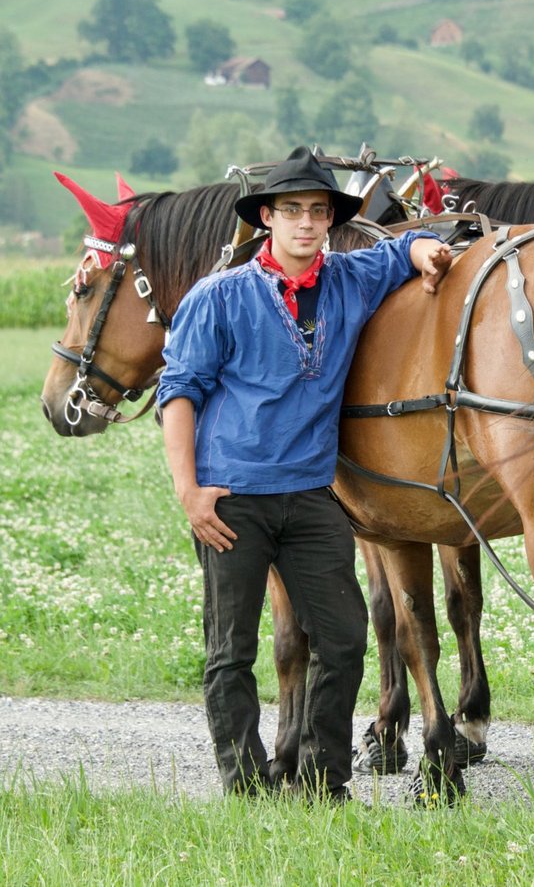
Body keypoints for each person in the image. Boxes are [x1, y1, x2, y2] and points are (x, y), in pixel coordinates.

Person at [157, 146, 454, 801]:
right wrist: (189, 492)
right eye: (292, 210)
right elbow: (177, 393)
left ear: (330, 220)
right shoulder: (220, 296)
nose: (306, 222)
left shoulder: (350, 279)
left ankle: (323, 781)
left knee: (344, 639)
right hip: (232, 498)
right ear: (267, 217)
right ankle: (245, 784)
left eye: (318, 211)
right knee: (231, 650)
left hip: (314, 497)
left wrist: (426, 249)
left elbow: (401, 251)